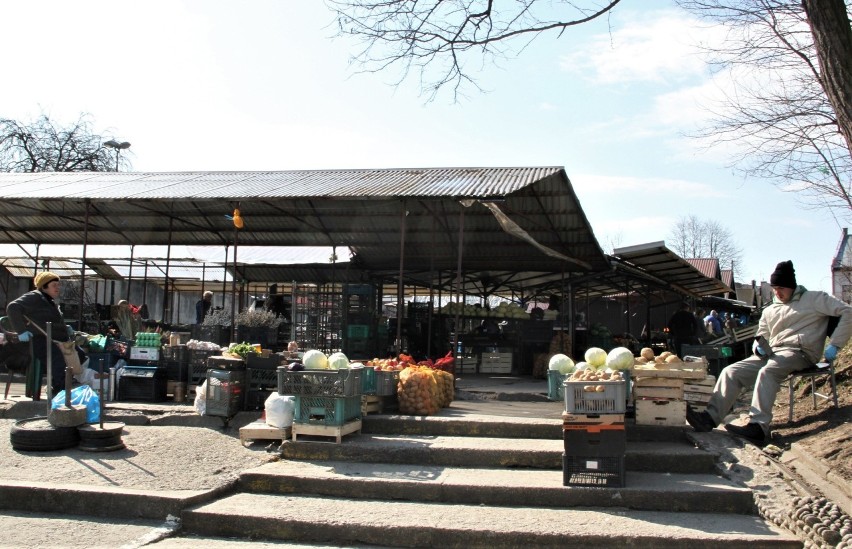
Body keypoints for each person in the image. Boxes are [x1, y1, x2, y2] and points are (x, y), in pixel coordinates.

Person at [687, 260, 852, 443]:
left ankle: (758, 426)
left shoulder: (815, 299)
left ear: (792, 286)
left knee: (769, 371)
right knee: (731, 372)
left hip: (801, 352)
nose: (777, 292)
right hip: (772, 353)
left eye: (781, 288)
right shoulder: (770, 310)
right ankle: (709, 418)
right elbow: (762, 334)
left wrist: (835, 344)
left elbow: (848, 312)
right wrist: (757, 348)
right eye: (774, 288)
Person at [6, 272, 74, 395]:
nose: (57, 288)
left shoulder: (49, 301)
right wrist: (21, 331)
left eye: (58, 285)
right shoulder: (34, 297)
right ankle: (61, 391)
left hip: (55, 340)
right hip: (39, 340)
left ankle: (59, 386)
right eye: (54, 285)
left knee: (78, 355)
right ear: (44, 287)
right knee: (58, 359)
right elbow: (13, 307)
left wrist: (65, 328)